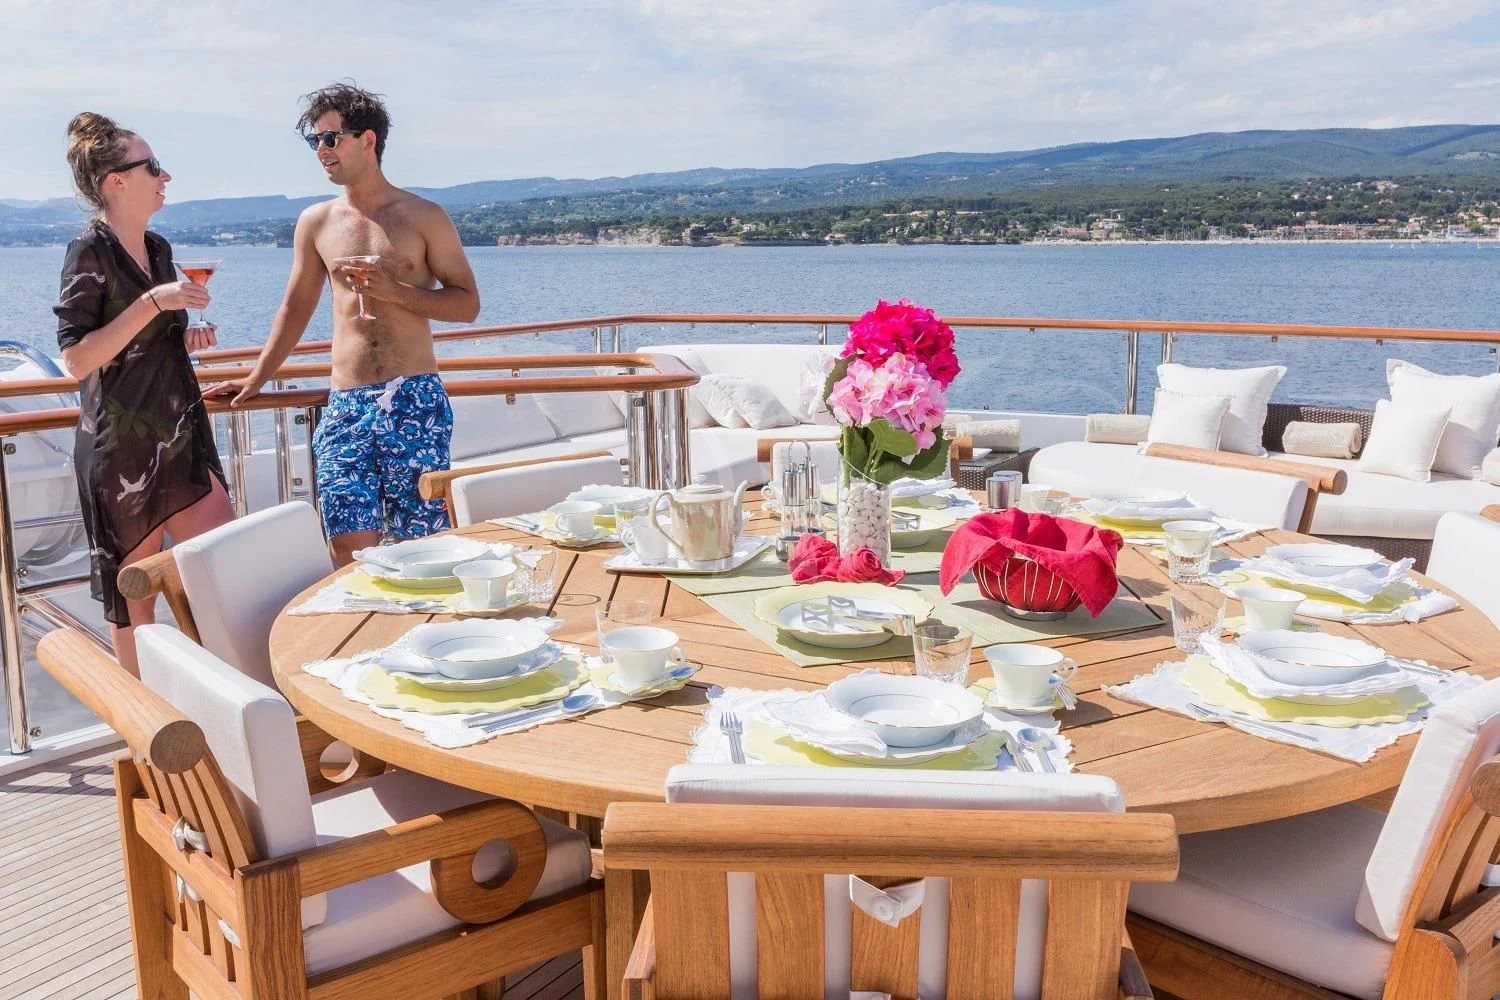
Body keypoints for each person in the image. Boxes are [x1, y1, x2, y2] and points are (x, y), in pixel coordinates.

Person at [205, 82, 480, 565]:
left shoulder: (424, 216)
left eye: (331, 139)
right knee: (350, 551)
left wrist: (393, 292)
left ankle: (427, 638)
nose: (322, 151)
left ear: (368, 140)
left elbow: (467, 304)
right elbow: (295, 308)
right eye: (315, 142)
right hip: (346, 405)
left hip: (414, 398)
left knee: (426, 548)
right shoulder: (315, 222)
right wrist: (256, 378)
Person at [54, 113, 233, 674]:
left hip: (181, 441)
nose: (165, 176)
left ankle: (231, 715)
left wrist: (185, 330)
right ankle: (146, 738)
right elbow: (76, 358)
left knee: (227, 576)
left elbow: (145, 340)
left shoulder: (158, 249)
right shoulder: (90, 251)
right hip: (122, 453)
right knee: (136, 603)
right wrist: (156, 303)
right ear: (116, 181)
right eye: (151, 166)